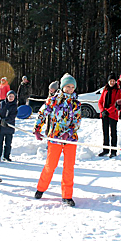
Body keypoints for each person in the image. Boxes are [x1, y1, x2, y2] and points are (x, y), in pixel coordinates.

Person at [33, 73, 82, 207]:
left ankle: (67, 195)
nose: (70, 89)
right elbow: (43, 113)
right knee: (50, 165)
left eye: (72, 87)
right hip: (54, 138)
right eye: (67, 86)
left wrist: (69, 132)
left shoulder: (76, 103)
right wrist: (37, 128)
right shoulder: (54, 100)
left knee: (69, 168)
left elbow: (77, 122)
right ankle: (41, 188)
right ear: (62, 86)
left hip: (70, 140)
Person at [97, 73, 121, 157]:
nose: (112, 82)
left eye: (113, 81)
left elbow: (117, 103)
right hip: (104, 114)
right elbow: (100, 101)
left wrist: (108, 111)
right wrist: (102, 110)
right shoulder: (105, 89)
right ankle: (105, 149)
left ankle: (113, 151)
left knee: (113, 133)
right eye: (110, 81)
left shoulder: (117, 90)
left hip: (112, 115)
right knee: (105, 132)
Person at [0, 90, 18, 163]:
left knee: (8, 143)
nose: (11, 98)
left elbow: (12, 116)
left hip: (9, 127)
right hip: (1, 126)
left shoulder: (14, 106)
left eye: (12, 96)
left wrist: (5, 120)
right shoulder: (2, 103)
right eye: (10, 96)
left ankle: (6, 156)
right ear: (7, 97)